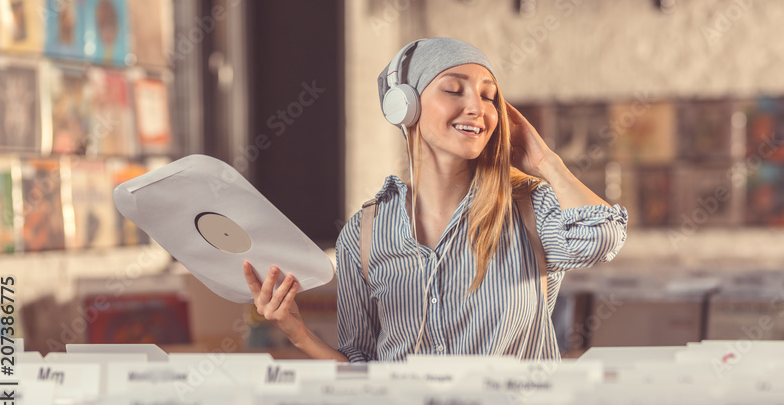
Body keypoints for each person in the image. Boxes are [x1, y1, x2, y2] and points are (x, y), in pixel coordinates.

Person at [243, 38, 627, 361]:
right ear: (403, 105)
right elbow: (361, 369)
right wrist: (298, 333)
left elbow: (601, 238)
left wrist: (546, 162)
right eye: (453, 89)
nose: (478, 107)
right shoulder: (364, 234)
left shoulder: (529, 208)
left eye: (489, 96)